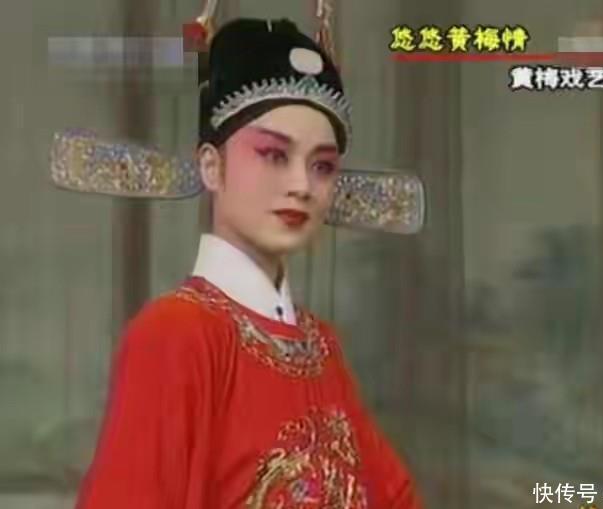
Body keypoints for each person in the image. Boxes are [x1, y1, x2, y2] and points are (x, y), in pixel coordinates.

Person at [75, 17, 423, 509]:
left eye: (322, 166)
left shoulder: (319, 345)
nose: (301, 186)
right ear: (211, 165)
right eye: (274, 155)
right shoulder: (176, 334)